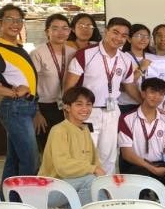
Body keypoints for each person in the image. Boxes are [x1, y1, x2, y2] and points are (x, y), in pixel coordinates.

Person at [64, 16, 141, 175]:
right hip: (87, 112)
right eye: (115, 32)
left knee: (109, 156)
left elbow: (129, 86)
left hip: (112, 112)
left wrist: (144, 102)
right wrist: (69, 112)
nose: (119, 38)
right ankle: (85, 192)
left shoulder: (125, 59)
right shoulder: (85, 54)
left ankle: (105, 192)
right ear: (106, 32)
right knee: (85, 156)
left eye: (124, 35)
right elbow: (69, 87)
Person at [0, 4, 39, 184]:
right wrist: (11, 92)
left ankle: (7, 199)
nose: (15, 24)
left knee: (15, 158)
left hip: (25, 107)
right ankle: (26, 200)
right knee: (30, 159)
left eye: (19, 20)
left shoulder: (15, 47)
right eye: (10, 19)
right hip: (16, 108)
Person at [38, 86, 104, 204]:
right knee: (91, 182)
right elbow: (63, 167)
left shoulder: (85, 130)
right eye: (79, 104)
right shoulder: (59, 130)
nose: (85, 108)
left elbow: (95, 162)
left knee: (103, 185)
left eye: (88, 104)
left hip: (73, 186)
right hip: (51, 189)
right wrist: (93, 169)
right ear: (67, 107)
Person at [118, 77, 165, 188]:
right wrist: (153, 169)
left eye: (161, 94)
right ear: (143, 94)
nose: (156, 97)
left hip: (158, 164)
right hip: (134, 166)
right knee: (151, 187)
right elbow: (126, 154)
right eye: (152, 92)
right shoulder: (127, 118)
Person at [31, 13, 77, 150]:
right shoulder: (38, 53)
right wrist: (36, 113)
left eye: (65, 28)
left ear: (69, 31)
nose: (60, 32)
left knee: (66, 148)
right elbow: (30, 84)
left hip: (66, 107)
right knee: (48, 150)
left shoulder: (73, 52)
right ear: (47, 31)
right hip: (45, 108)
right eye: (55, 28)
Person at [119, 24, 154, 114]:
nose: (144, 39)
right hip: (127, 105)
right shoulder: (122, 57)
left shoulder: (152, 58)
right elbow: (121, 87)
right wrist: (141, 68)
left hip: (148, 104)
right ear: (129, 39)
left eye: (147, 37)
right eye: (139, 36)